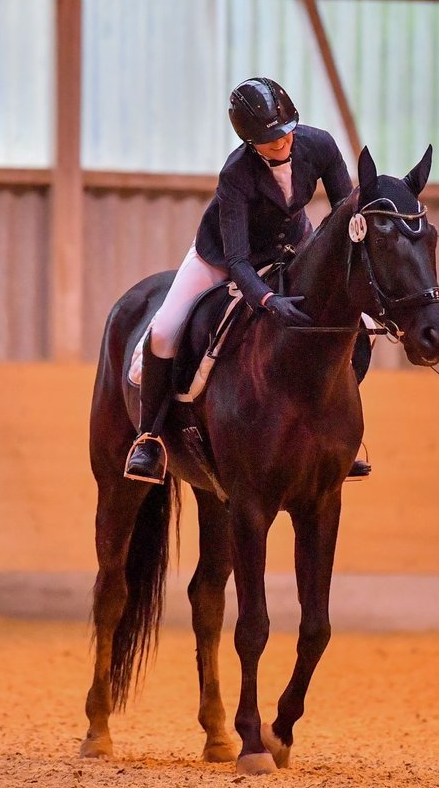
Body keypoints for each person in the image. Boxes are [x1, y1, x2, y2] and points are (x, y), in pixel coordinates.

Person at [124, 76, 372, 484]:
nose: (283, 143)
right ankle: (150, 438)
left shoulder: (320, 145)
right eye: (271, 140)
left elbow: (345, 213)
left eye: (287, 132)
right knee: (166, 329)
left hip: (292, 246)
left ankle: (334, 431)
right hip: (222, 256)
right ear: (248, 142)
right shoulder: (236, 173)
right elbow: (238, 260)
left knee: (357, 330)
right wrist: (268, 301)